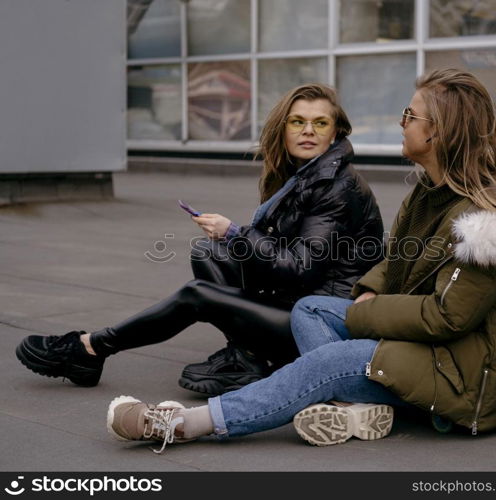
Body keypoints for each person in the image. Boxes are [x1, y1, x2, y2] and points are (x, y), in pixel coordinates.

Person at [104, 68, 496, 452]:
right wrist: (371, 288)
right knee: (312, 308)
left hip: (468, 382)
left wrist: (366, 314)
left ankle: (182, 424)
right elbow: (397, 258)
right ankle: (355, 401)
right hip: (426, 348)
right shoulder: (430, 191)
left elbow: (448, 317)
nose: (401, 121)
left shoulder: (491, 223)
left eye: (410, 114)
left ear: (439, 131)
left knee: (333, 361)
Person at [15, 83, 384, 396]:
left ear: (335, 133)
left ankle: (90, 349)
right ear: (283, 129)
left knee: (198, 295)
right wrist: (232, 239)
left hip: (317, 326)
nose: (308, 131)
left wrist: (237, 233)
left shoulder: (338, 187)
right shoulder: (303, 176)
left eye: (320, 123)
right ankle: (245, 357)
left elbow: (298, 269)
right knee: (209, 253)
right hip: (295, 298)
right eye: (298, 122)